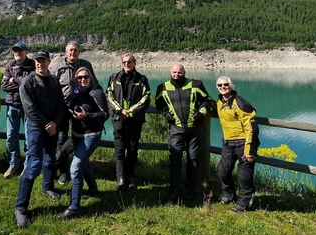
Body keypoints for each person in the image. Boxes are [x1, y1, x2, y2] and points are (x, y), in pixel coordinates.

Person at [15, 50, 67, 228]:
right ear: (35, 62)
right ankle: (21, 207)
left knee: (50, 158)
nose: (40, 64)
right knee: (34, 164)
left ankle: (47, 187)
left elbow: (61, 104)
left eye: (43, 61)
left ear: (49, 62)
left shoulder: (53, 80)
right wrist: (47, 124)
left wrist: (55, 123)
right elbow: (29, 108)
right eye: (38, 61)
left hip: (51, 126)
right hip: (36, 127)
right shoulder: (28, 81)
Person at [154, 63, 211, 204]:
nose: (176, 75)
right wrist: (166, 114)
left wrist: (200, 114)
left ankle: (190, 191)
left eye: (179, 72)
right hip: (176, 129)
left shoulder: (196, 84)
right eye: (174, 72)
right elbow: (159, 103)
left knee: (193, 160)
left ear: (184, 72)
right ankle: (174, 191)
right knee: (175, 160)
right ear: (170, 72)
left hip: (194, 128)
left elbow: (207, 101)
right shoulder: (163, 87)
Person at [58, 68, 109, 220]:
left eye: (85, 77)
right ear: (75, 79)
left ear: (90, 78)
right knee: (83, 164)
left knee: (75, 168)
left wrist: (86, 116)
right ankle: (93, 190)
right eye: (79, 77)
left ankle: (74, 207)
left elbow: (104, 115)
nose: (82, 80)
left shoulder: (96, 93)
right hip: (76, 134)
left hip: (91, 135)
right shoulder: (75, 92)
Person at [50, 41, 100, 184]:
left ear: (79, 52)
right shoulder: (58, 67)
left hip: (81, 109)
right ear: (66, 52)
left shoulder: (86, 65)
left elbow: (94, 83)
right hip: (63, 109)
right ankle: (63, 172)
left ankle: (82, 166)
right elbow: (51, 87)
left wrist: (98, 98)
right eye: (70, 50)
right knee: (62, 139)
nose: (73, 53)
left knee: (82, 138)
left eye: (75, 50)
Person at [211, 76, 259, 213]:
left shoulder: (240, 102)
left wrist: (249, 149)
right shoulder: (220, 102)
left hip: (244, 143)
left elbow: (251, 127)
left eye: (225, 84)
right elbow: (211, 105)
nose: (223, 87)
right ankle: (229, 195)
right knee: (223, 171)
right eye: (220, 85)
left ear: (231, 85)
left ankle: (244, 202)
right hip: (228, 143)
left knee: (244, 175)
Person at [106, 53, 150, 191]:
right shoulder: (114, 78)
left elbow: (146, 98)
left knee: (132, 149)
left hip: (135, 119)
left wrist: (130, 112)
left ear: (134, 63)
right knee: (119, 149)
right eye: (124, 62)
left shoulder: (141, 79)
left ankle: (130, 177)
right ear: (121, 63)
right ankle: (121, 178)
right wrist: (120, 111)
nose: (127, 64)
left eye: (130, 62)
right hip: (118, 119)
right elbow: (109, 95)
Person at [1, 42, 35, 177]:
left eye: (20, 51)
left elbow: (31, 85)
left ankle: (27, 165)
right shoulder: (10, 65)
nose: (17, 53)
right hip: (12, 105)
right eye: (15, 51)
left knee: (29, 136)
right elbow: (4, 86)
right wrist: (21, 84)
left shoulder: (33, 64)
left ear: (26, 52)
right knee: (10, 136)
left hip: (28, 106)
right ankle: (13, 164)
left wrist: (14, 81)